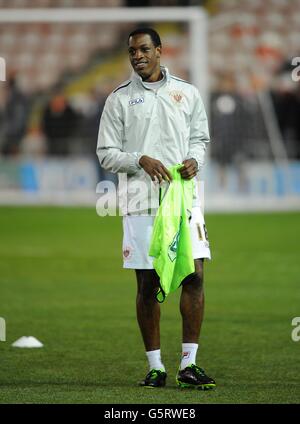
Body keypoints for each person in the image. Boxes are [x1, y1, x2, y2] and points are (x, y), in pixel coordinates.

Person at [97, 28, 216, 390]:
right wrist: (140, 159)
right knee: (148, 283)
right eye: (132, 51)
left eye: (144, 49)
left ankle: (189, 365)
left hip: (184, 200)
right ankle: (155, 367)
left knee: (193, 277)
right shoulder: (118, 100)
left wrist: (196, 159)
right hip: (141, 201)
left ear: (160, 51)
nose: (137, 56)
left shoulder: (187, 92)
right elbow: (106, 153)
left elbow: (200, 138)